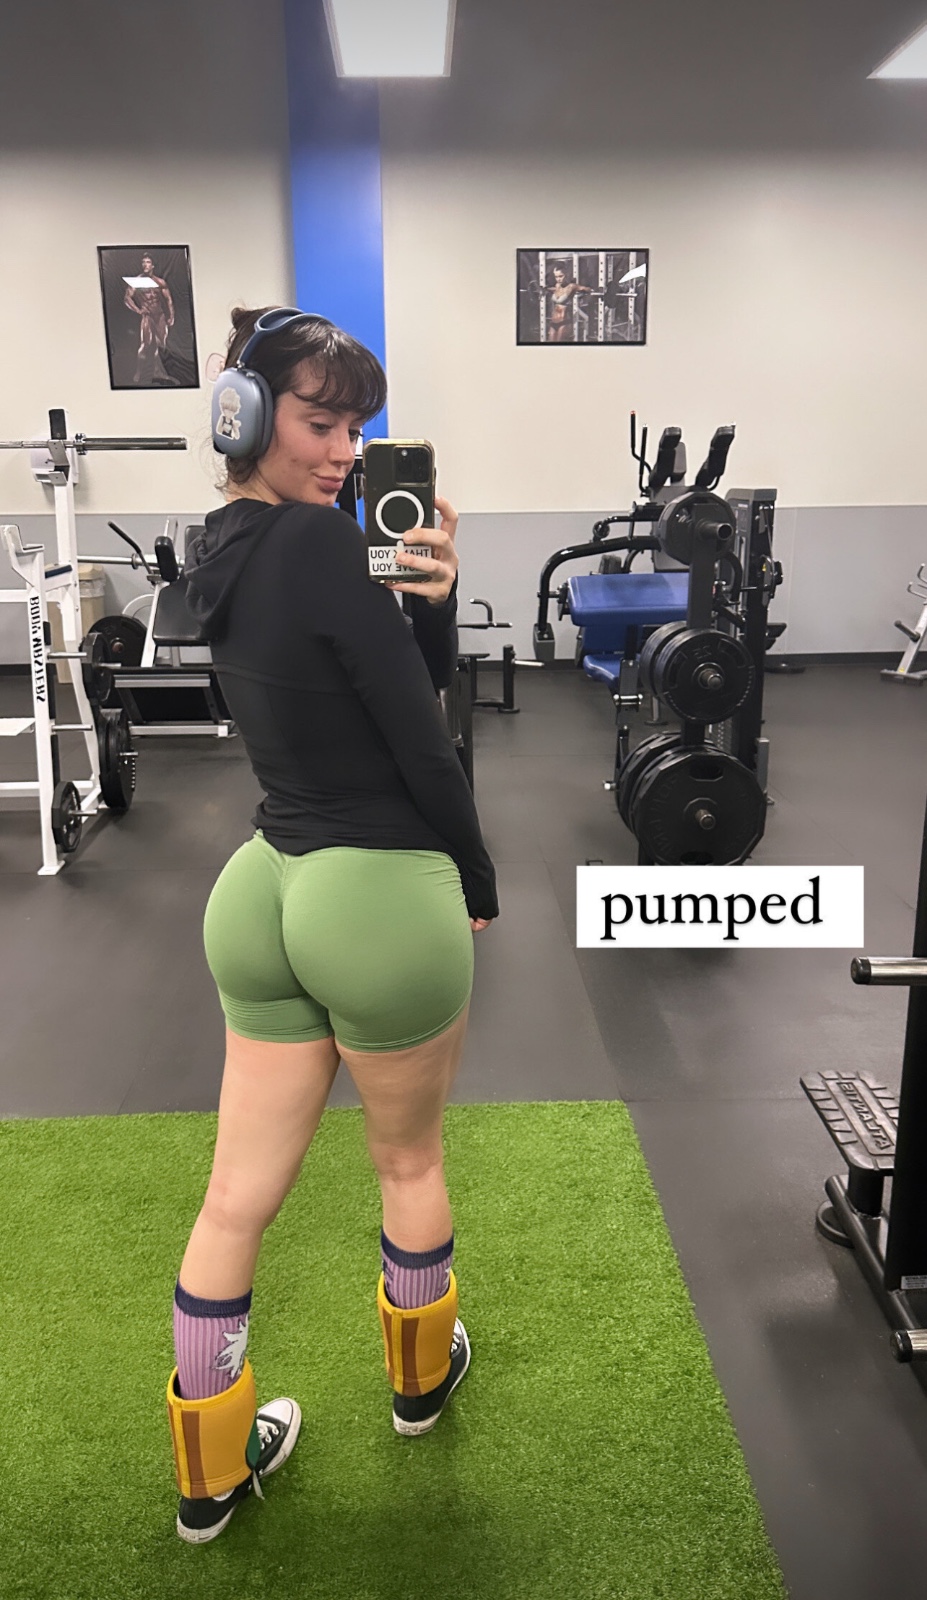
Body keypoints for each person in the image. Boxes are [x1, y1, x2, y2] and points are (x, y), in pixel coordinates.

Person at [166, 306, 498, 1544]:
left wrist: (428, 602)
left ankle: (210, 1466)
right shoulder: (319, 542)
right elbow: (421, 734)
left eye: (357, 427)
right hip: (374, 893)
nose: (346, 450)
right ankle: (419, 1382)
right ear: (246, 417)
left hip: (263, 889)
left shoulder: (224, 544)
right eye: (319, 422)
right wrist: (476, 873)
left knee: (232, 1200)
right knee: (408, 1163)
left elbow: (378, 675)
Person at [123, 253, 174, 384]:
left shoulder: (160, 282)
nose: (145, 265)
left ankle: (158, 372)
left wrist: (171, 316)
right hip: (147, 316)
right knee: (145, 345)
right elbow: (127, 298)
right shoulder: (137, 281)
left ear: (153, 265)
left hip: (160, 316)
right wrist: (138, 310)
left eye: (148, 262)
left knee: (161, 344)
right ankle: (138, 372)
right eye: (143, 262)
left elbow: (168, 300)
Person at [542, 263, 599, 343]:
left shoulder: (572, 286)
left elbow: (586, 288)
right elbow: (554, 290)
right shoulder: (557, 286)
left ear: (566, 274)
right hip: (553, 321)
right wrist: (546, 289)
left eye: (561, 276)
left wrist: (590, 290)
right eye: (556, 277)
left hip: (564, 322)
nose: (558, 279)